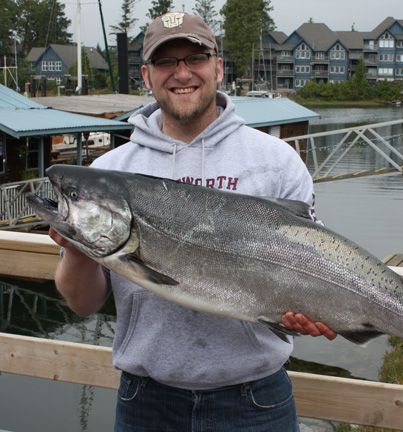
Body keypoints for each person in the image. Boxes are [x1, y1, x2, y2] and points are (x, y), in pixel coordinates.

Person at [49, 12, 336, 432]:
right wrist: (77, 245)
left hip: (254, 401)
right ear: (147, 76)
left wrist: (312, 309)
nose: (182, 73)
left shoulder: (276, 161)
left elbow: (314, 261)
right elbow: (82, 303)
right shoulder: (108, 174)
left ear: (217, 67)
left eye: (195, 58)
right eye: (167, 62)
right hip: (146, 402)